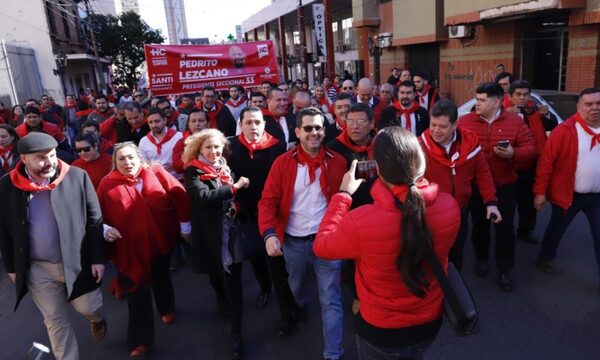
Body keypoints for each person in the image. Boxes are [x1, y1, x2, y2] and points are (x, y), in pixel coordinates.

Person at [313, 126, 461, 360]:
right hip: (429, 321)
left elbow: (322, 245)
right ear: (421, 163)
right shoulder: (450, 207)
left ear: (378, 169)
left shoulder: (360, 222)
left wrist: (343, 194)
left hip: (381, 329)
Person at [0, 132, 107, 360]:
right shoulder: (6, 186)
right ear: (24, 159)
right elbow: (4, 230)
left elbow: (94, 219)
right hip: (38, 269)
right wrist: (11, 266)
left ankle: (97, 319)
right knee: (54, 320)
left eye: (52, 154)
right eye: (40, 157)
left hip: (77, 262)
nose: (49, 162)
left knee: (89, 307)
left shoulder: (76, 176)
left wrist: (98, 258)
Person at [259, 107, 347, 360]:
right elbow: (267, 202)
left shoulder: (337, 161)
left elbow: (344, 199)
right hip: (293, 244)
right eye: (307, 128)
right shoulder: (282, 164)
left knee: (331, 300)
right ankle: (302, 302)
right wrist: (269, 233)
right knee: (296, 289)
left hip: (326, 242)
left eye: (318, 127)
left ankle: (333, 353)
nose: (314, 133)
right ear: (297, 132)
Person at [97, 142, 191, 358]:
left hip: (161, 242)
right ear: (115, 162)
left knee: (161, 277)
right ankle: (140, 340)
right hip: (130, 251)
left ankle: (167, 308)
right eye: (121, 159)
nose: (127, 162)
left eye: (131, 157)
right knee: (137, 294)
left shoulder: (156, 172)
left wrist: (186, 225)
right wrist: (105, 230)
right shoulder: (106, 184)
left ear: (140, 157)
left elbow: (179, 195)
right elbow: (96, 216)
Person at [458, 82, 536, 291]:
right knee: (480, 226)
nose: (477, 103)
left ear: (496, 102)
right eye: (477, 99)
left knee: (505, 229)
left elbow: (531, 148)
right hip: (476, 186)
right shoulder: (465, 122)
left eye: (482, 100)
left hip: (505, 185)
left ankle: (505, 270)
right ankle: (482, 258)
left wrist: (514, 154)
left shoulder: (515, 122)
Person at [228, 107, 297, 335]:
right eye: (248, 122)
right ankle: (264, 287)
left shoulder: (277, 147)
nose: (253, 127)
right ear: (241, 125)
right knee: (256, 258)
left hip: (273, 213)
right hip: (247, 213)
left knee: (277, 262)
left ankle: (287, 312)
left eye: (257, 122)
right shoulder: (232, 148)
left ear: (264, 125)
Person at [183, 129, 250, 359]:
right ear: (199, 149)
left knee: (234, 284)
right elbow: (202, 197)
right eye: (208, 147)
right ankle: (222, 300)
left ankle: (236, 335)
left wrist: (236, 205)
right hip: (210, 235)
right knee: (215, 275)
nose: (213, 152)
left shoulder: (226, 166)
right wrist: (234, 188)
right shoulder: (192, 171)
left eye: (217, 147)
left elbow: (238, 200)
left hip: (231, 234)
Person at [419, 99, 501, 270]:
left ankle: (455, 288)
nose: (435, 130)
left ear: (455, 125)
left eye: (442, 126)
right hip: (432, 213)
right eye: (433, 124)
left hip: (460, 211)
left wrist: (491, 202)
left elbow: (483, 174)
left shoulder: (471, 144)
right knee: (432, 256)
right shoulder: (418, 147)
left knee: (457, 252)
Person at [534, 87, 600, 283]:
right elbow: (546, 163)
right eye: (589, 104)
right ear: (579, 107)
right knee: (556, 229)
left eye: (598, 103)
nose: (595, 108)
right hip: (568, 195)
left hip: (597, 197)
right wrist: (540, 192)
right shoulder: (564, 131)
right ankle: (546, 256)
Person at [503, 80, 558, 244]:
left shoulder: (533, 110)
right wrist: (505, 114)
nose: (522, 98)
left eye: (525, 94)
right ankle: (506, 231)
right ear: (510, 96)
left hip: (532, 165)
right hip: (509, 165)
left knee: (528, 203)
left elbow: (552, 124)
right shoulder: (501, 111)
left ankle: (525, 230)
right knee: (508, 203)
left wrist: (547, 114)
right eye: (518, 94)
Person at [138, 107, 183, 179]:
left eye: (157, 121)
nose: (154, 125)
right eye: (150, 122)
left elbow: (187, 158)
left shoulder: (179, 136)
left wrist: (175, 165)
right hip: (156, 182)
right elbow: (143, 164)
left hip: (178, 179)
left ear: (165, 120)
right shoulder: (144, 141)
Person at [172, 109, 209, 175]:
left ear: (208, 123)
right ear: (189, 124)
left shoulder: (216, 140)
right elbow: (176, 167)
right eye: (193, 121)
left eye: (201, 121)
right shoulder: (181, 142)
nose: (197, 124)